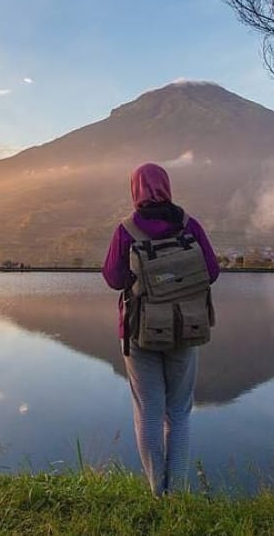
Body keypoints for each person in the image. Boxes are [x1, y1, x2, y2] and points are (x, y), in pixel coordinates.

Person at [102, 162, 220, 495]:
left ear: (134, 190)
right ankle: (178, 492)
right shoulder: (189, 225)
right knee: (180, 412)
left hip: (139, 331)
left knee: (149, 413)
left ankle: (158, 492)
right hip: (185, 328)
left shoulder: (126, 229)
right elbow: (211, 272)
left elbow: (113, 279)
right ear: (167, 187)